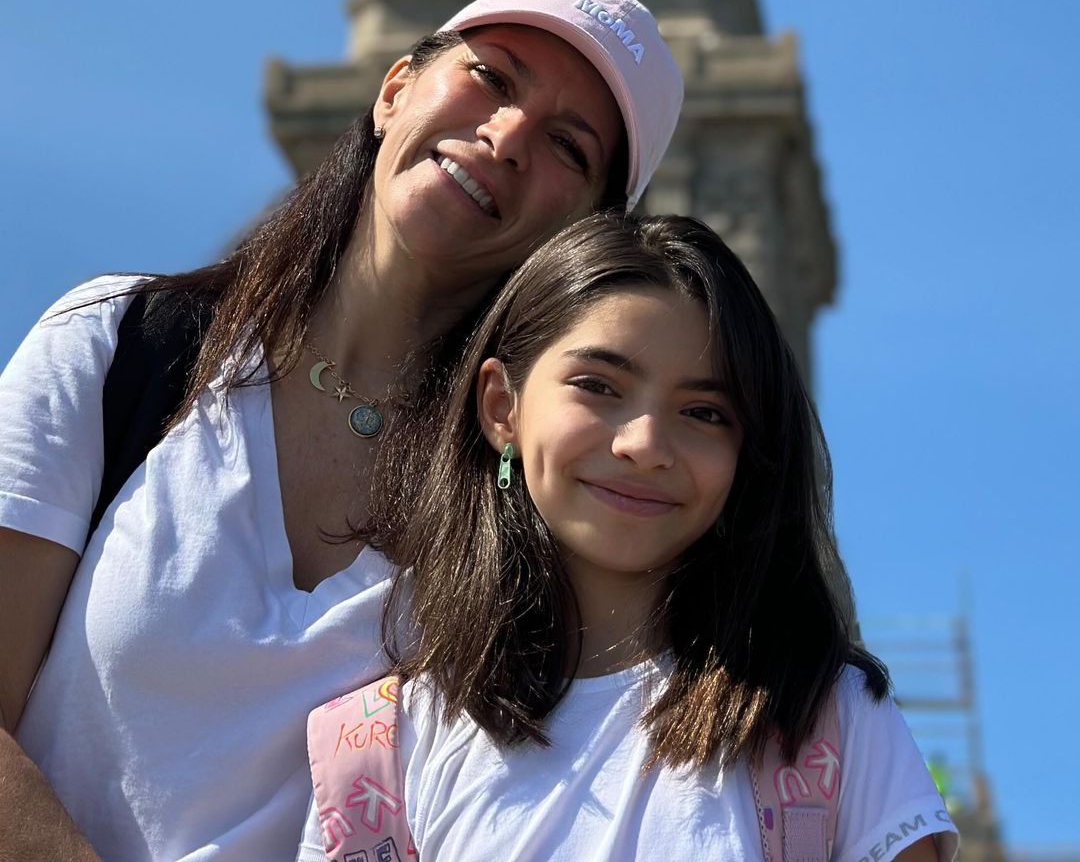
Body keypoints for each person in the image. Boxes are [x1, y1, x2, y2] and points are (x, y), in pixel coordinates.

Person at [0, 0, 683, 860]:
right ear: (395, 90)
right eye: (493, 77)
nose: (508, 136)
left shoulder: (529, 503)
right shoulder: (121, 343)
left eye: (569, 146)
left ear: (583, 235)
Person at [297, 213, 959, 862]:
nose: (645, 445)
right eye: (598, 386)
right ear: (502, 407)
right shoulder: (374, 759)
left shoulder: (832, 725)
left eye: (703, 412)